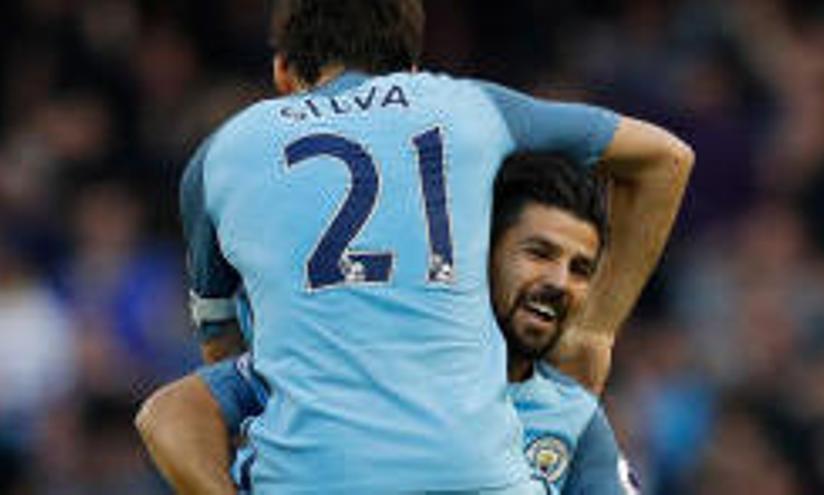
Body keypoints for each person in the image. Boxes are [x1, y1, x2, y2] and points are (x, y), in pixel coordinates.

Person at [178, 0, 693, 492]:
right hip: (477, 474)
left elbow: (221, 356)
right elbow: (667, 159)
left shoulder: (219, 155)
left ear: (283, 73)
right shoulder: (467, 105)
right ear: (411, 66)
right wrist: (594, 332)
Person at [138, 153, 640, 494]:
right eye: (538, 253)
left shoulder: (573, 418)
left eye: (580, 269)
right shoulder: (357, 355)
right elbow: (170, 415)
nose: (559, 282)